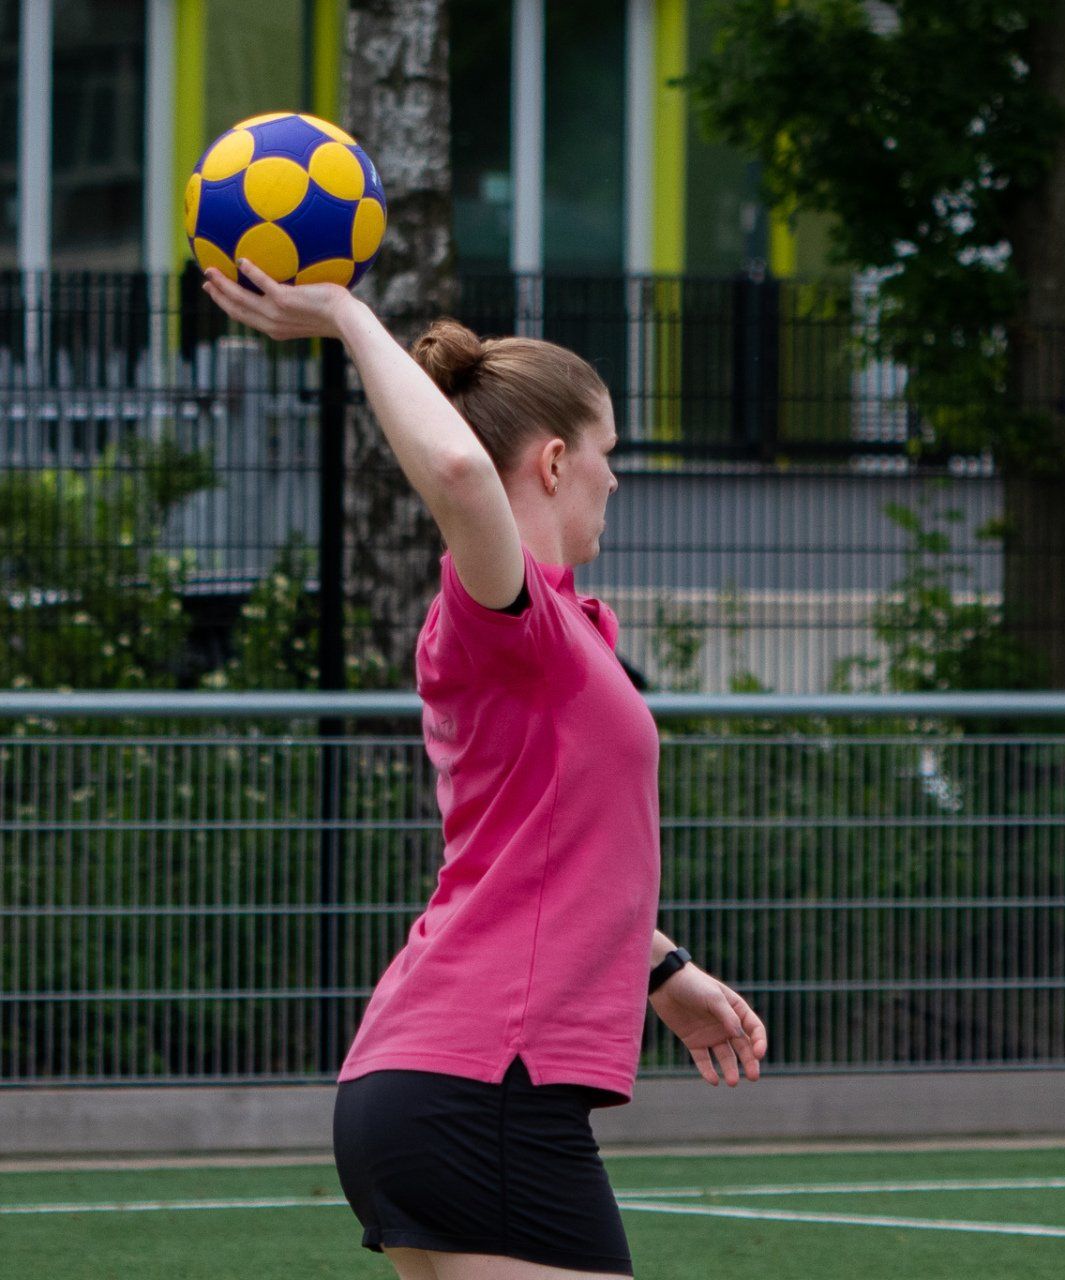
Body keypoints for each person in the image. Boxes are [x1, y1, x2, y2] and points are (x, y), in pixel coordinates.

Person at [203, 259, 769, 1280]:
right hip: (483, 1083)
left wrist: (660, 967)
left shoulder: (569, 630)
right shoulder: (516, 619)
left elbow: (540, 857)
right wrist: (344, 314)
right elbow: (463, 476)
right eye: (606, 453)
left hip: (439, 1079)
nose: (616, 479)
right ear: (553, 462)